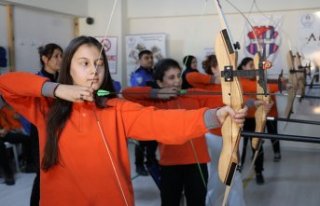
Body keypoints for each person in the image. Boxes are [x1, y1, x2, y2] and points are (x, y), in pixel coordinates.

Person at [0, 36, 247, 205]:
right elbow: (7, 83)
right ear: (69, 69)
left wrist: (214, 116)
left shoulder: (116, 108)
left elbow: (163, 122)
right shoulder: (47, 108)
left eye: (98, 64)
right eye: (84, 64)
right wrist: (56, 89)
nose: (93, 71)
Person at [123, 58, 252, 206]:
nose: (177, 81)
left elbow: (224, 99)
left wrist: (249, 103)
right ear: (160, 82)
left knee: (196, 202)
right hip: (170, 164)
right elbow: (127, 93)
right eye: (171, 78)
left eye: (178, 76)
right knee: (170, 202)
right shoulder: (155, 102)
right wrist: (156, 93)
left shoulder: (192, 94)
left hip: (197, 163)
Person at [237, 57, 279, 185]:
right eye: (251, 65)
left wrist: (282, 85)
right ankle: (238, 169)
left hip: (257, 119)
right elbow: (240, 98)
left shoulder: (258, 80)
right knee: (240, 147)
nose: (254, 68)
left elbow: (270, 88)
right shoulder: (237, 81)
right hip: (242, 119)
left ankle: (259, 172)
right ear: (243, 67)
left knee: (257, 146)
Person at [30, 43, 63, 206]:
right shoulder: (36, 81)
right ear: (45, 59)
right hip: (40, 133)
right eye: (56, 56)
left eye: (61, 56)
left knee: (57, 172)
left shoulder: (62, 79)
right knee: (42, 172)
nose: (60, 59)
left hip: (58, 132)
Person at [130, 49, 158, 176]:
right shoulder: (138, 74)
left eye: (151, 57)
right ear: (140, 60)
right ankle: (139, 165)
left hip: (154, 110)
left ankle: (151, 161)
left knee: (154, 139)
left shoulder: (154, 73)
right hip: (141, 112)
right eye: (147, 58)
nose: (150, 60)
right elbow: (140, 92)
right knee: (141, 141)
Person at [0, 104, 31, 185]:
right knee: (1, 146)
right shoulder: (4, 109)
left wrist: (5, 130)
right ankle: (8, 174)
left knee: (26, 138)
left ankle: (26, 162)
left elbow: (6, 125)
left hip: (3, 133)